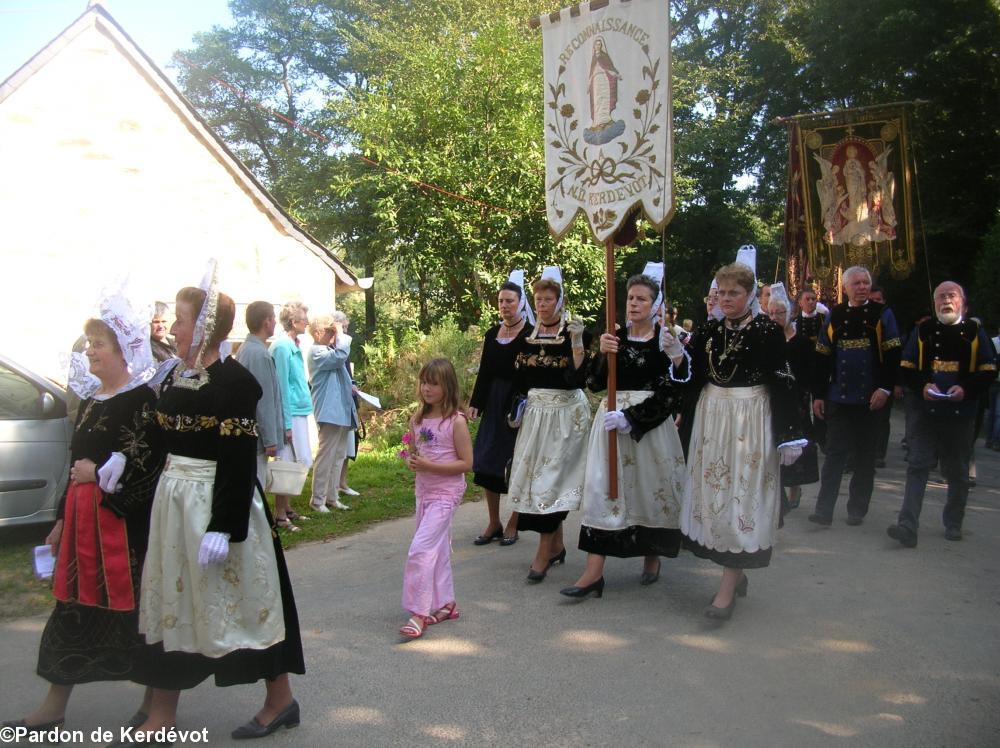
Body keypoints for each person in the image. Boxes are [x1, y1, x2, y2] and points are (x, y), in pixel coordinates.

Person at [136, 268, 304, 741]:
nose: (172, 329)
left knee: (246, 606)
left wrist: (223, 525)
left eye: (181, 321)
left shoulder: (235, 383)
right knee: (174, 601)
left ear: (206, 328)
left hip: (214, 507)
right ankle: (161, 709)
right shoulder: (176, 373)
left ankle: (280, 699)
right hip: (175, 507)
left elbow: (235, 460)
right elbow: (158, 435)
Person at [3, 292, 161, 737]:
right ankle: (52, 709)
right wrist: (58, 521)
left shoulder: (143, 400)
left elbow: (150, 469)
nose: (89, 349)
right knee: (69, 612)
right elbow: (74, 465)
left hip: (122, 534)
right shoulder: (92, 398)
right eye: (89, 342)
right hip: (80, 527)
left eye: (98, 343)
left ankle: (153, 706)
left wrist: (104, 476)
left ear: (123, 349)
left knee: (136, 621)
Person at [663, 254, 804, 621]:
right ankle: (734, 575)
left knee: (742, 497)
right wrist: (678, 357)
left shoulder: (767, 331)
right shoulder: (710, 330)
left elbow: (784, 381)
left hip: (750, 421)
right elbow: (693, 377)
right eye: (721, 292)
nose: (726, 299)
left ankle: (726, 590)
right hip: (713, 420)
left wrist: (789, 434)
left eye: (734, 292)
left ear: (750, 294)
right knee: (717, 496)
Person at [561, 268, 684, 599]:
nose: (633, 304)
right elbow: (595, 384)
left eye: (641, 298)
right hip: (610, 425)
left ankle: (652, 555)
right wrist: (602, 353)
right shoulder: (614, 336)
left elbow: (672, 393)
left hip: (649, 428)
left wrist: (632, 418)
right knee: (604, 492)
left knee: (649, 490)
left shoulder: (665, 340)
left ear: (654, 304)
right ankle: (592, 573)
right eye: (630, 298)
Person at [887, 282, 996, 547]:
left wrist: (966, 388)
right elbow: (906, 365)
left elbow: (989, 368)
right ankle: (907, 526)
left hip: (961, 413)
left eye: (951, 296)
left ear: (962, 302)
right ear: (934, 302)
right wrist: (923, 384)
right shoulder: (923, 330)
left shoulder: (974, 331)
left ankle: (954, 522)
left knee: (957, 470)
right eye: (941, 297)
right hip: (926, 411)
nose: (946, 301)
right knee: (918, 465)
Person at [504, 267, 591, 583]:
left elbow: (580, 379)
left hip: (567, 415)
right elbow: (520, 381)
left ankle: (543, 552)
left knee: (552, 482)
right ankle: (556, 545)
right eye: (538, 299)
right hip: (537, 416)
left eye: (548, 299)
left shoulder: (574, 333)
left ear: (559, 300)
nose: (542, 304)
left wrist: (578, 344)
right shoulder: (527, 336)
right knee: (536, 480)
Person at [809, 266, 901, 527]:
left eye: (866, 283)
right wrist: (818, 394)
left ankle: (857, 509)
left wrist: (884, 388)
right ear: (846, 287)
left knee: (865, 457)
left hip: (871, 400)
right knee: (835, 455)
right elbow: (822, 356)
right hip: (839, 398)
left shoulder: (882, 314)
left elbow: (893, 354)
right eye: (856, 283)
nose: (862, 287)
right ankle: (823, 510)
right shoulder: (835, 315)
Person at [399, 359, 474, 638]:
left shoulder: (456, 422)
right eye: (424, 382)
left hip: (446, 494)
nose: (427, 388)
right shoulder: (417, 419)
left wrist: (431, 467)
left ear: (447, 386)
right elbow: (419, 452)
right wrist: (413, 462)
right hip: (424, 492)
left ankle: (419, 612)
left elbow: (467, 463)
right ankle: (446, 603)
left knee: (420, 548)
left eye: (434, 383)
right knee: (438, 548)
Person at [468, 272, 534, 546]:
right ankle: (494, 520)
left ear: (520, 303)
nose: (504, 305)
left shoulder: (531, 334)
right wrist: (476, 403)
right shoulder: (492, 333)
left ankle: (514, 520)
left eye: (510, 301)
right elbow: (484, 372)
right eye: (501, 301)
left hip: (519, 404)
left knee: (516, 461)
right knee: (486, 460)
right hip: (494, 402)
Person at [236, 301, 296, 531]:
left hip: (251, 431)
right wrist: (271, 438)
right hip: (258, 437)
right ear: (266, 322)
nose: (274, 323)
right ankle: (257, 530)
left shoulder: (249, 349)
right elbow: (264, 400)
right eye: (272, 319)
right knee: (257, 484)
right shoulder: (258, 354)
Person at [767, 284, 820, 517]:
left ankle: (794, 487)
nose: (776, 317)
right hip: (772, 398)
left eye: (780, 312)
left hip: (797, 399)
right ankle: (775, 491)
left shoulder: (802, 343)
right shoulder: (766, 340)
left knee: (795, 443)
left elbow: (810, 374)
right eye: (771, 313)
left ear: (790, 313)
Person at [307, 312, 357, 512]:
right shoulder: (317, 352)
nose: (334, 335)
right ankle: (317, 500)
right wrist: (340, 334)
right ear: (319, 332)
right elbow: (340, 357)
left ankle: (332, 496)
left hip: (341, 411)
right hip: (329, 411)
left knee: (338, 455)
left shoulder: (330, 350)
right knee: (326, 455)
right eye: (330, 331)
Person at [270, 301, 313, 524]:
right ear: (294, 322)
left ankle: (287, 508)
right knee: (286, 461)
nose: (307, 322)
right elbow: (281, 387)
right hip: (290, 412)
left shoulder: (293, 345)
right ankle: (279, 513)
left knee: (300, 460)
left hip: (299, 410)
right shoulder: (282, 347)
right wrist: (286, 423)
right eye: (304, 319)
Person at [869, 286, 894, 468]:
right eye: (873, 299)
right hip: (862, 378)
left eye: (879, 300)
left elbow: (894, 351)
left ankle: (879, 452)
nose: (875, 303)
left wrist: (893, 383)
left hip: (882, 376)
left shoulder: (887, 316)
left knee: (882, 418)